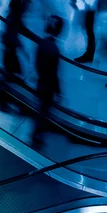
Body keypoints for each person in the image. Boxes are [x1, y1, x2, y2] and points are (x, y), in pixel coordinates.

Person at [32, 14, 63, 146]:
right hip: (48, 85)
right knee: (44, 110)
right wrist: (58, 90)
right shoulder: (54, 49)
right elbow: (54, 72)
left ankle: (39, 131)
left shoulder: (43, 43)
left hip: (41, 80)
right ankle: (36, 135)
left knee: (42, 108)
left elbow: (38, 63)